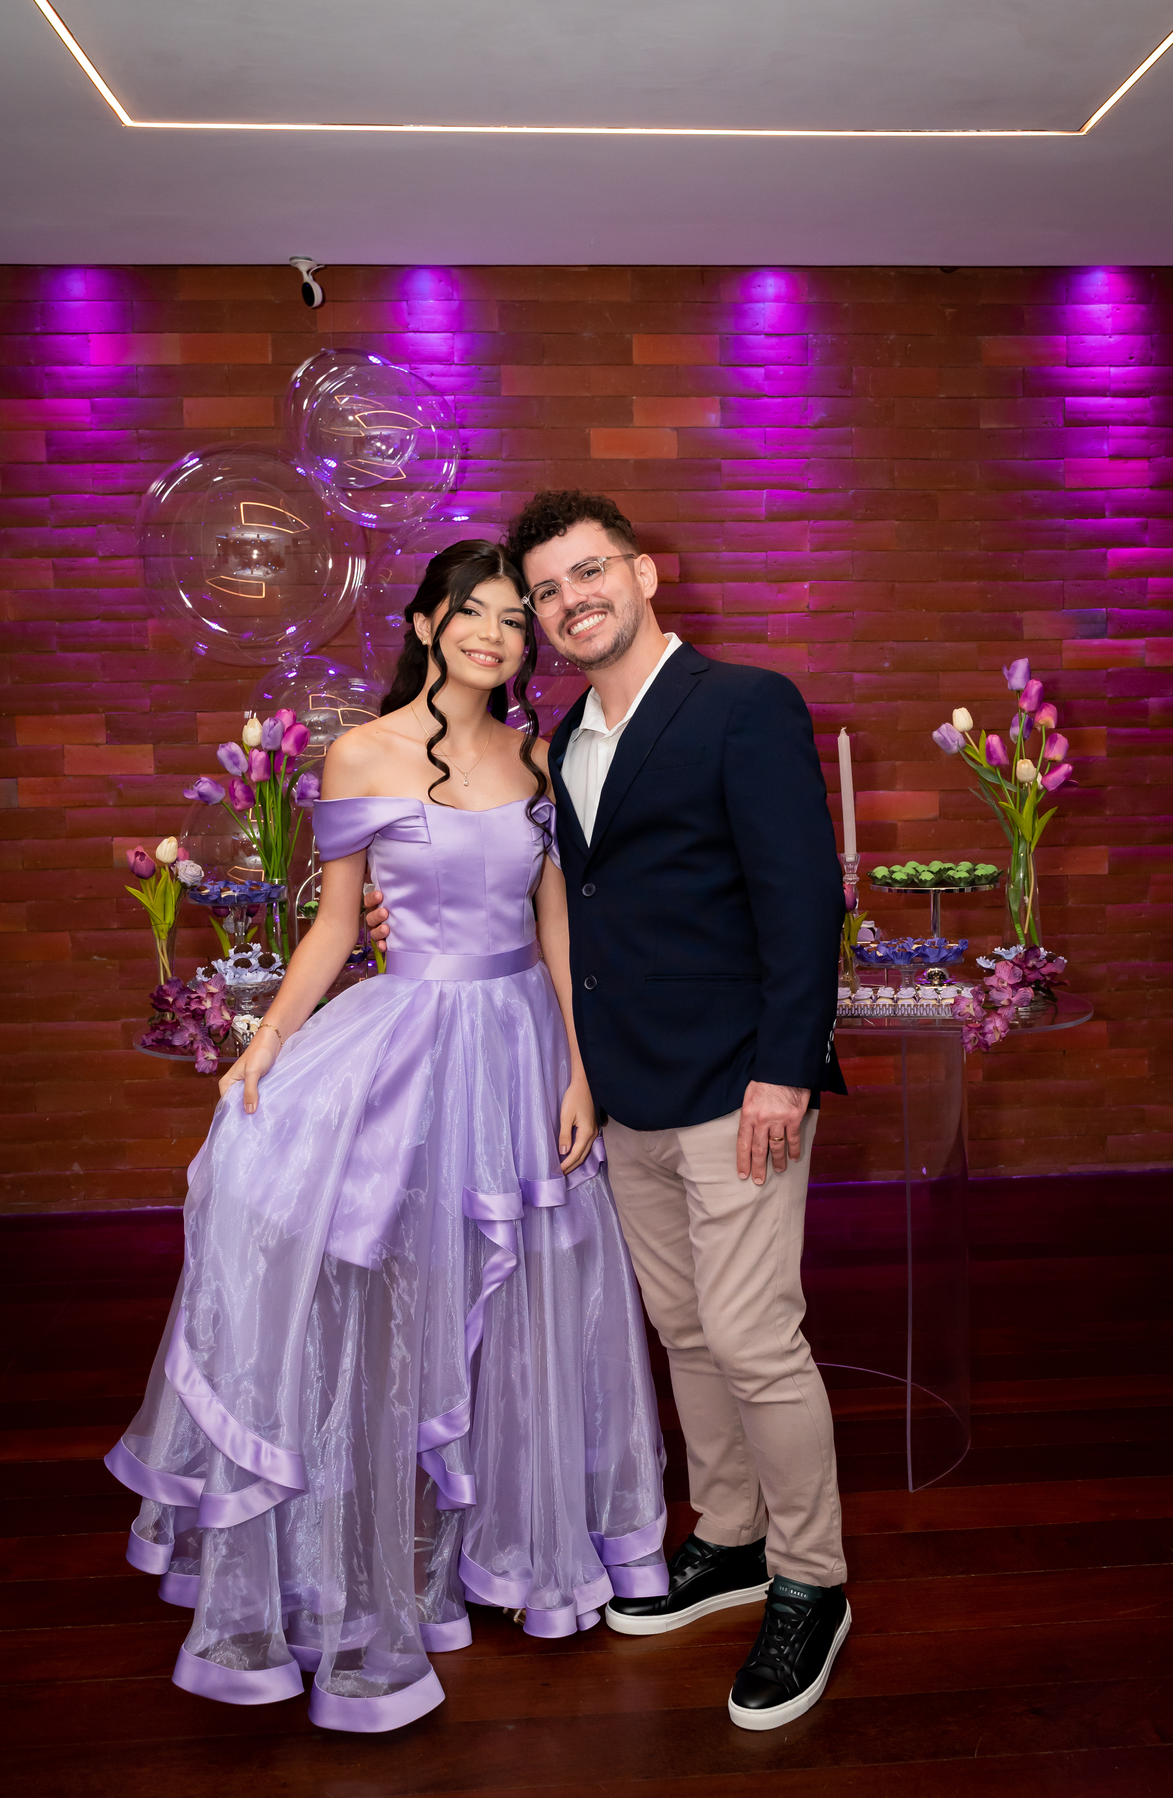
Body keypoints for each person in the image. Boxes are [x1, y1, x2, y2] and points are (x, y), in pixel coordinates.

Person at [105, 540, 667, 1734]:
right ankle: (371, 1557)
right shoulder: (360, 752)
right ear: (423, 625)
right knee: (394, 1289)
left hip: (520, 1044)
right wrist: (265, 1043)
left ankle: (509, 1551)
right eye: (473, 614)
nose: (496, 636)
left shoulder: (536, 754)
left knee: (526, 1296)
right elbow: (332, 927)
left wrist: (579, 1067)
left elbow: (556, 923)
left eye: (514, 619)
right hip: (412, 1039)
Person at [367, 493, 850, 1731]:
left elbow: (803, 901)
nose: (569, 601)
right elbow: (547, 900)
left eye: (589, 572)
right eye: (548, 590)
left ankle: (812, 1578)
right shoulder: (563, 736)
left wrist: (786, 1070)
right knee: (685, 1330)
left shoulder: (743, 703)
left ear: (643, 572)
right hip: (621, 1090)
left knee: (753, 1337)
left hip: (739, 1084)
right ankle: (731, 1539)